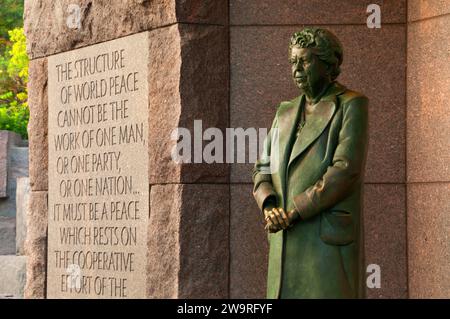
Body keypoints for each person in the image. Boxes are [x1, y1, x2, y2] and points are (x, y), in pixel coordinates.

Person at [252, 27, 369, 298]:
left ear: (327, 63)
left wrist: (295, 211)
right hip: (283, 242)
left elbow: (345, 170)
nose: (297, 69)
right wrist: (269, 206)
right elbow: (262, 168)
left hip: (324, 246)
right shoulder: (285, 111)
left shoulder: (352, 105)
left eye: (305, 61)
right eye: (293, 62)